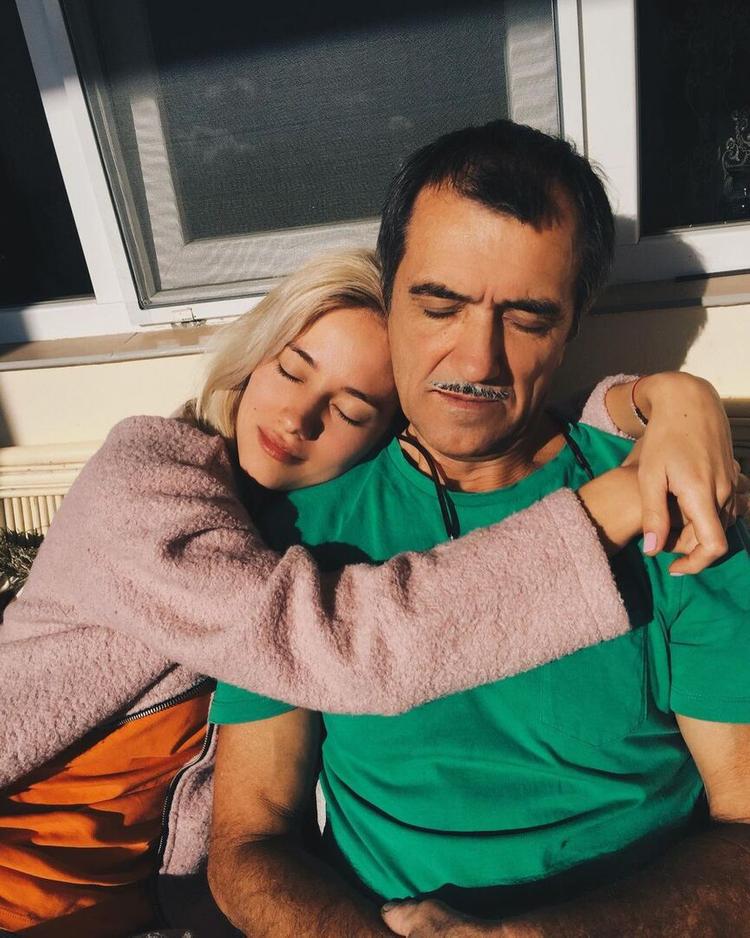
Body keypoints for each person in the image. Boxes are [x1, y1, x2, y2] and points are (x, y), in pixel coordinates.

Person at [2, 249, 728, 937]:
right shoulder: (146, 479)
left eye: (351, 411)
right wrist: (613, 505)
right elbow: (348, 645)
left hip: (126, 907)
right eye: (291, 370)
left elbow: (508, 432)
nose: (297, 419)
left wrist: (663, 401)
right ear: (253, 359)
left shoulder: (284, 525)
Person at [207, 120, 750, 938]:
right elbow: (248, 840)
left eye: (527, 318)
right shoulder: (298, 531)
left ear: (574, 322)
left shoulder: (671, 500)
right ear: (388, 296)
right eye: (439, 306)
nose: (475, 362)